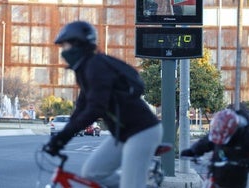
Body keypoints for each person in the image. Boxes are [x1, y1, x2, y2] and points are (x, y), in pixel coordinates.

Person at [43, 20, 163, 188]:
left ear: (78, 44)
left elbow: (95, 108)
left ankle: (141, 182)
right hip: (122, 133)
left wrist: (64, 136)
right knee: (92, 173)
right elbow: (81, 109)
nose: (64, 52)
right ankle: (144, 183)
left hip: (142, 131)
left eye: (66, 46)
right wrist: (60, 139)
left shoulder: (96, 66)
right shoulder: (84, 70)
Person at [181, 108, 249, 188]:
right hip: (216, 175)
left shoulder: (245, 138)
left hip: (236, 180)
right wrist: (192, 151)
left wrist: (245, 162)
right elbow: (206, 142)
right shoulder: (219, 130)